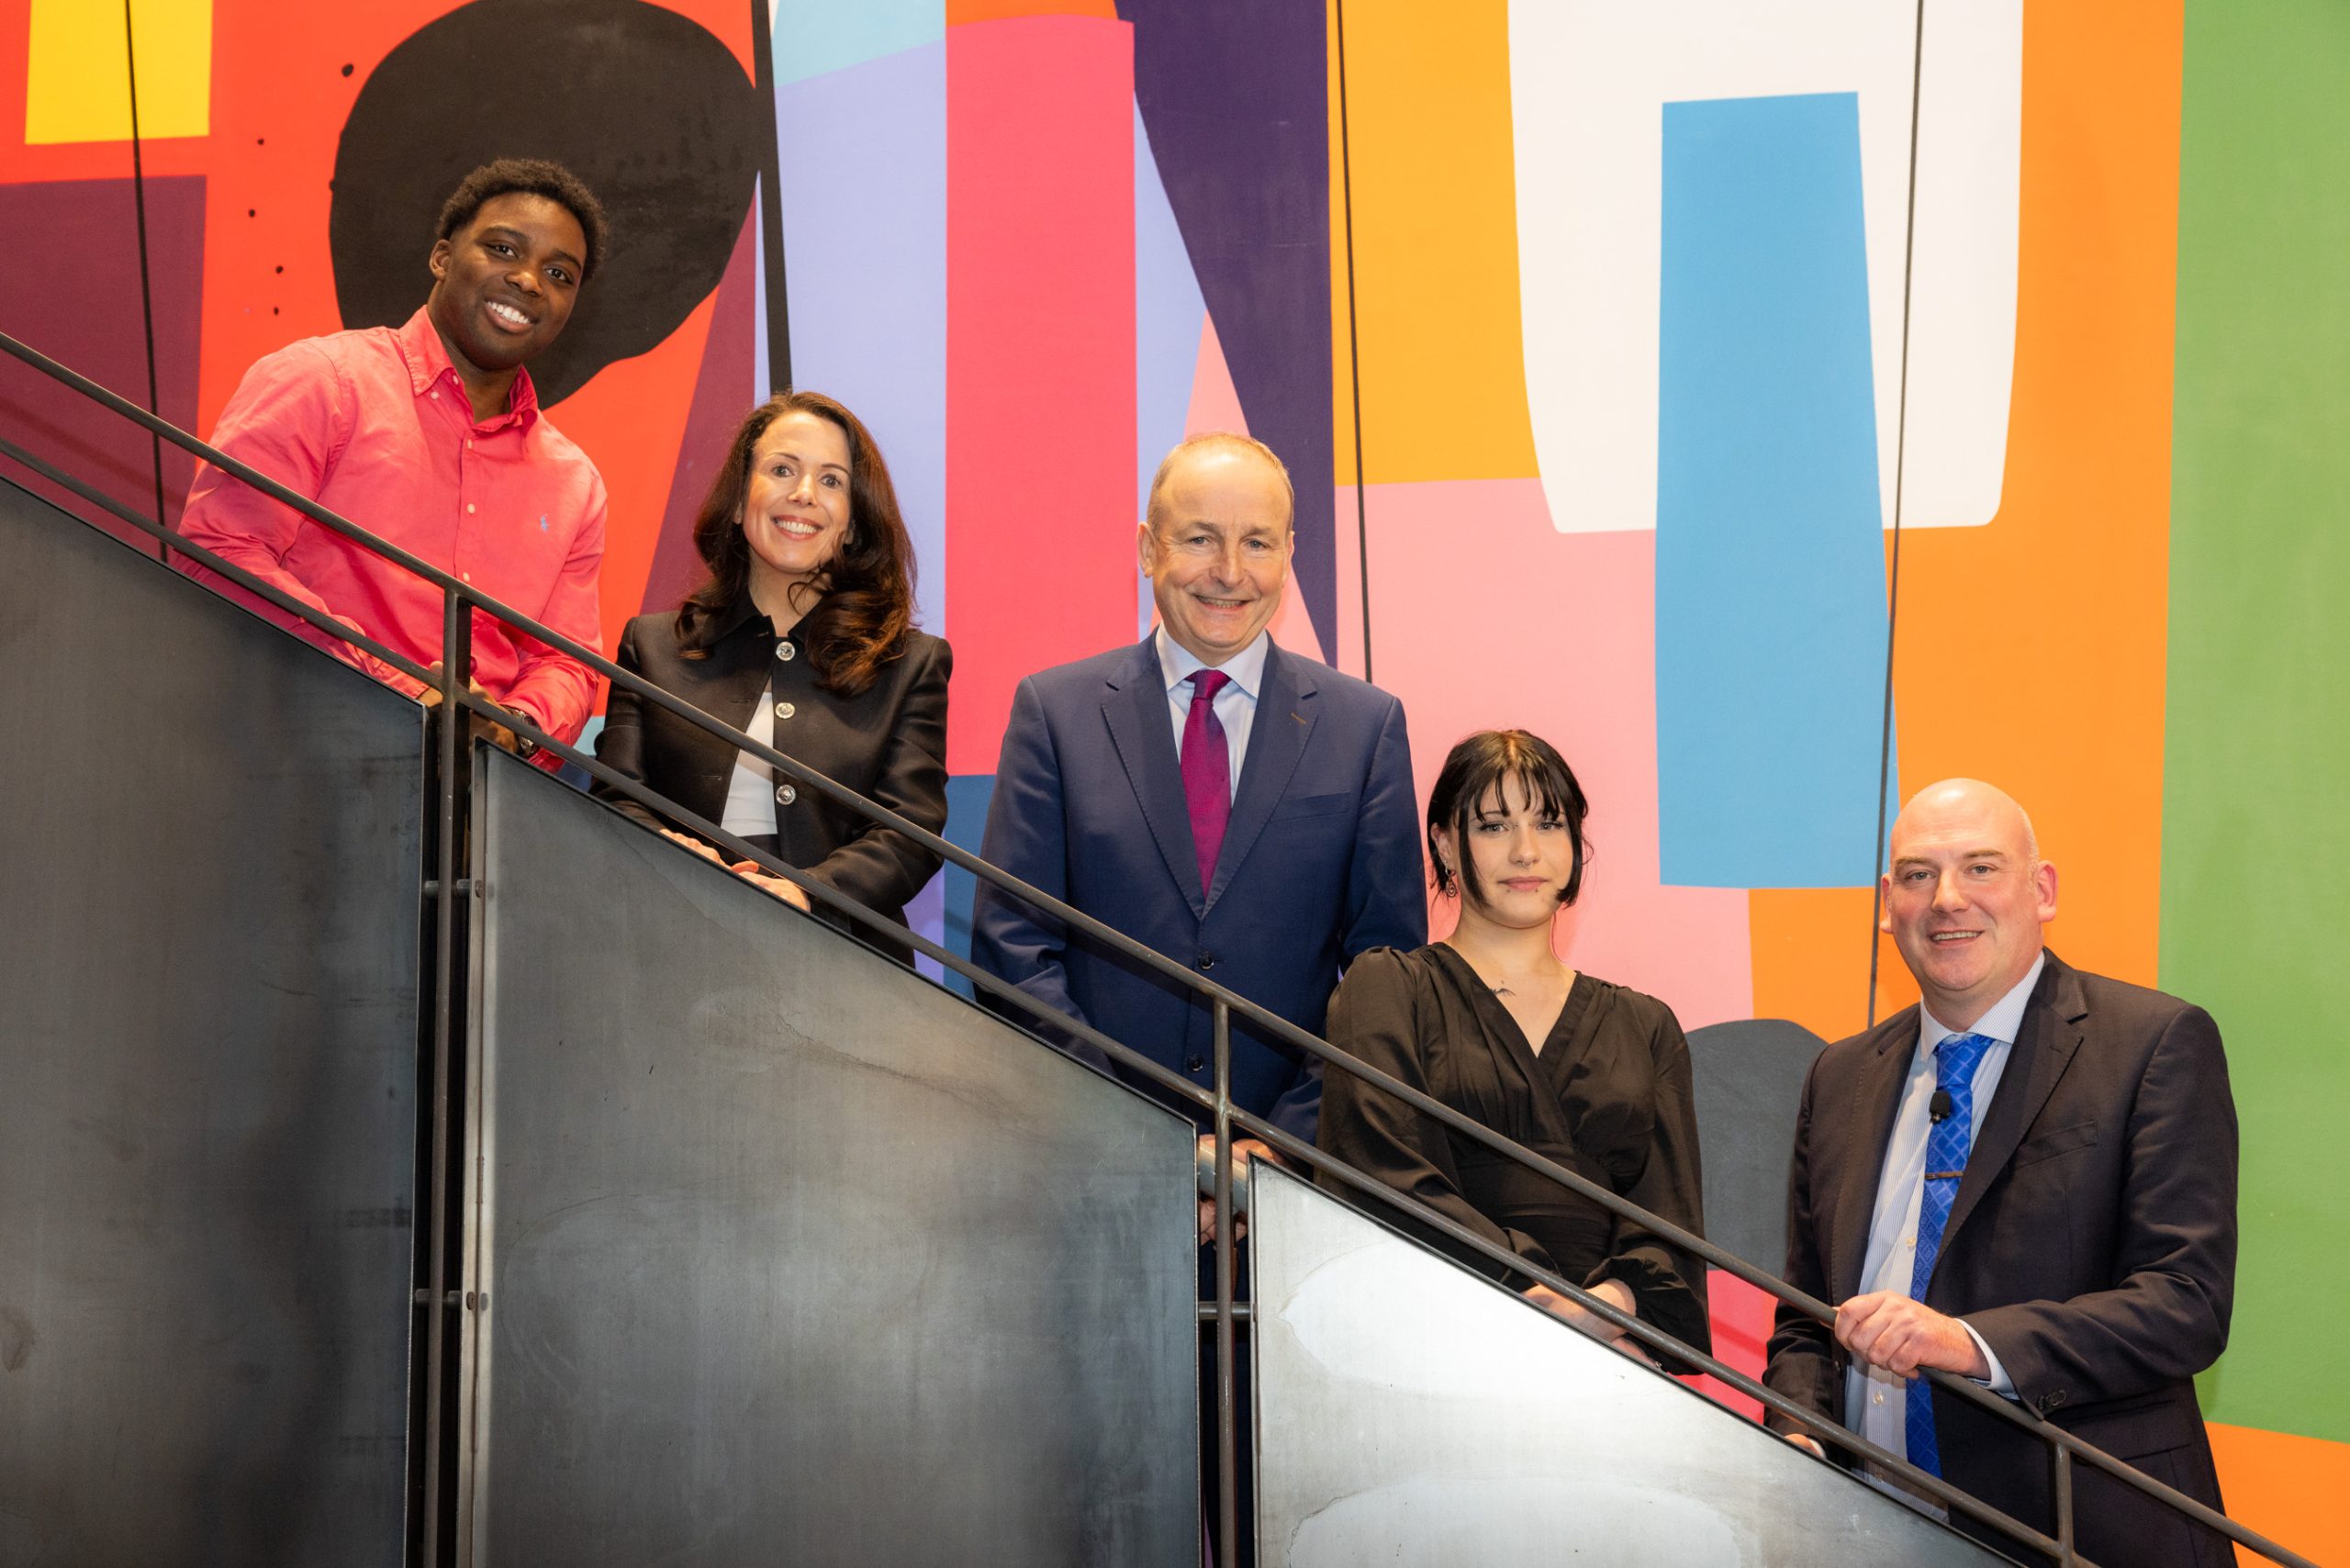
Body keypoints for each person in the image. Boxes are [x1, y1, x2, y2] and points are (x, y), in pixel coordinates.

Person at [1763, 778, 2236, 1566]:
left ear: (2041, 890)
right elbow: (1808, 1318)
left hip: (2079, 1532)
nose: (1948, 899)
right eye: (1919, 875)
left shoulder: (2153, 1044)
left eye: (1981, 868)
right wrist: (1799, 1433)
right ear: (1889, 903)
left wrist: (1971, 1344)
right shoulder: (1839, 1077)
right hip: (1862, 1531)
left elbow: (2184, 1302)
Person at [973, 431, 1425, 1160]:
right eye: (1200, 539)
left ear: (1289, 555)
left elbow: (1389, 976)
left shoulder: (1366, 728)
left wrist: (1279, 1148)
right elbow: (1011, 948)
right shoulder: (1054, 713)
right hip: (1084, 1162)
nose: (1228, 572)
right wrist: (1131, 1135)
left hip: (1289, 1190)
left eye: (1257, 543)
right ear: (1149, 548)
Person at [177, 158, 610, 766]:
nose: (529, 280)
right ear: (441, 257)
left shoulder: (577, 486)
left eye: (559, 274)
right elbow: (220, 552)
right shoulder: (321, 383)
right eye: (504, 249)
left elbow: (566, 662)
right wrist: (406, 693)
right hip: (289, 758)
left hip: (481, 804)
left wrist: (510, 729)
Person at [1318, 730, 1710, 1367]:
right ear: (1444, 842)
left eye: (1550, 825)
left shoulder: (1646, 1025)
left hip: (1610, 1361)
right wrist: (1543, 1299)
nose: (1527, 852)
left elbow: (1671, 1230)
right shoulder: (1387, 989)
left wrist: (1599, 1309)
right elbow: (1377, 1174)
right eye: (1495, 826)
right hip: (1433, 1342)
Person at [592, 393, 948, 963]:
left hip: (844, 966)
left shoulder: (911, 663)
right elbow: (615, 798)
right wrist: (669, 850)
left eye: (831, 480)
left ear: (854, 522)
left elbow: (910, 834)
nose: (804, 493)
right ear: (738, 502)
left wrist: (805, 894)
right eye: (782, 469)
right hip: (668, 946)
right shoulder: (652, 645)